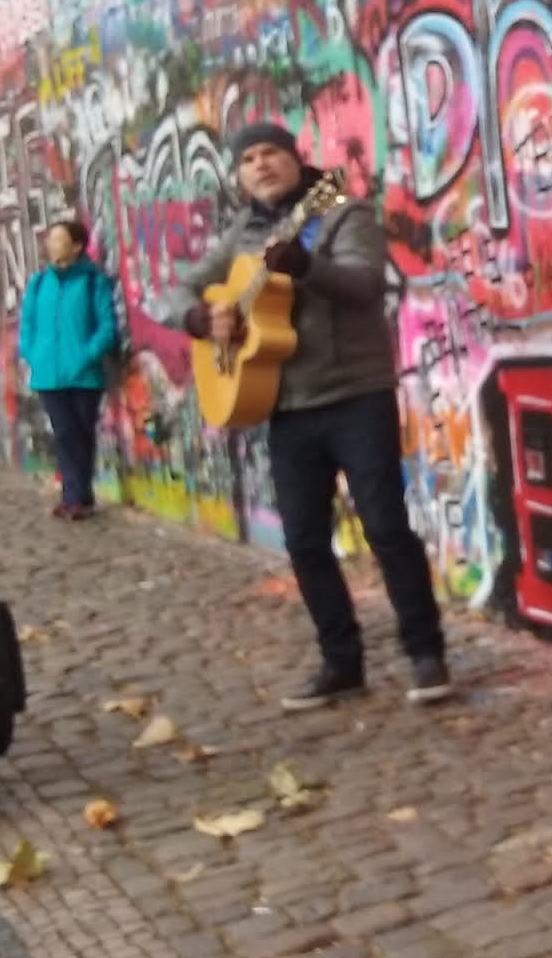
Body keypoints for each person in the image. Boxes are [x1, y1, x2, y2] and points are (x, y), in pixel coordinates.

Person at [159, 121, 451, 709]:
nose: (260, 165)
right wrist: (200, 320)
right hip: (285, 405)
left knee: (386, 528)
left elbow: (368, 285)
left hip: (355, 394)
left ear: (297, 161)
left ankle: (426, 654)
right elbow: (177, 293)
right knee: (305, 542)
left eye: (271, 153)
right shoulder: (242, 232)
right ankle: (341, 662)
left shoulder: (342, 213)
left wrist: (307, 267)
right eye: (248, 160)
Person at [17, 218, 117, 520]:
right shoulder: (38, 283)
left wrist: (85, 356)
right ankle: (74, 496)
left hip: (84, 377)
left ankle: (79, 496)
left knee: (80, 434)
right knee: (64, 433)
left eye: (59, 238)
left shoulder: (92, 282)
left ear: (77, 246)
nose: (51, 243)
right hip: (48, 375)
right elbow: (28, 325)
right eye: (50, 238)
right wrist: (33, 354)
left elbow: (107, 328)